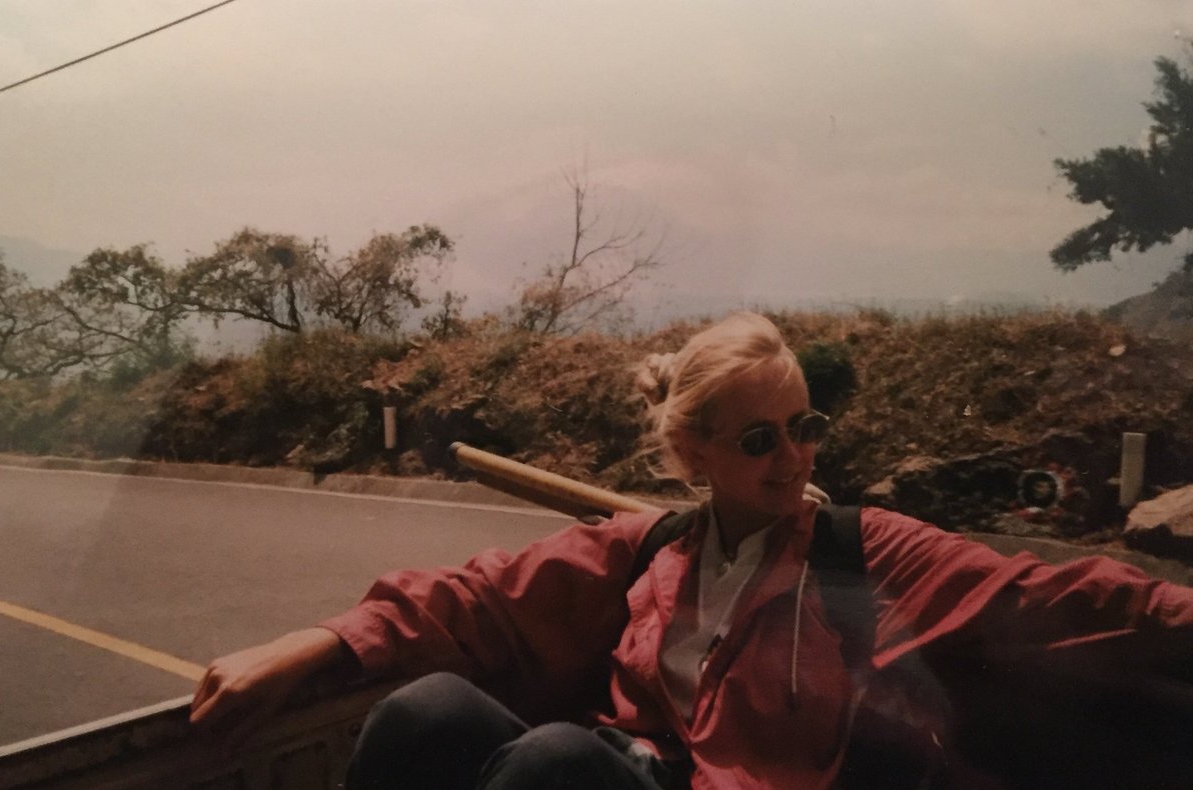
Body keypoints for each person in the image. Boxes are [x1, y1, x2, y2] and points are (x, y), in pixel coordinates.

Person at [190, 311, 1193, 789]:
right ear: (693, 452)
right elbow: (476, 598)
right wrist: (312, 645)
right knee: (428, 710)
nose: (792, 457)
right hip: (638, 774)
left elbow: (1062, 597)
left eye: (805, 429)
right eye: (760, 440)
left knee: (555, 768)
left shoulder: (860, 553)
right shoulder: (652, 550)